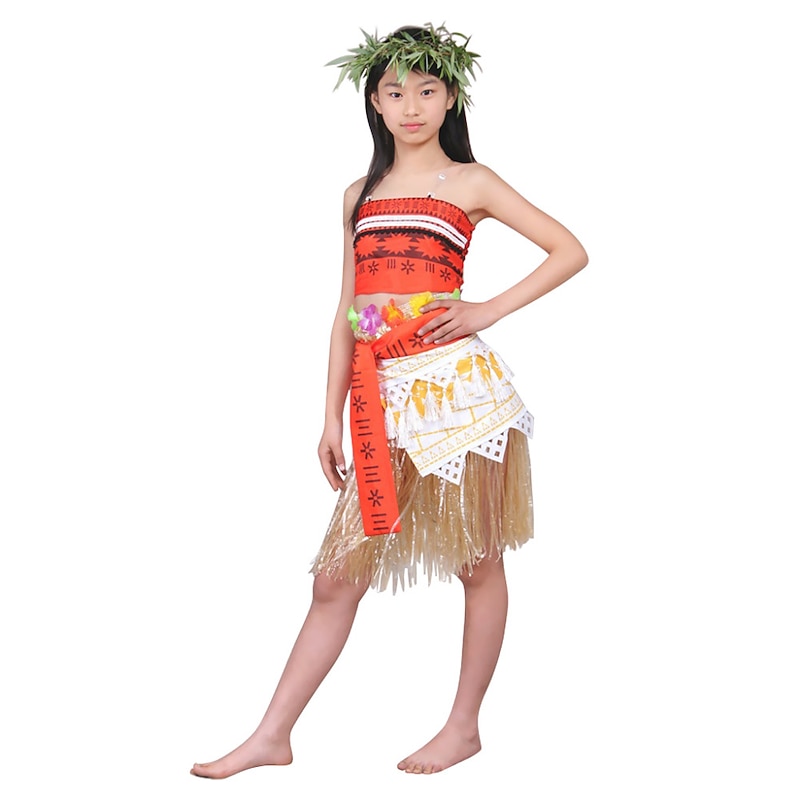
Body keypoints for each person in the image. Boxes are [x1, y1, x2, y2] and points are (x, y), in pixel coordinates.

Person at [190, 22, 588, 778]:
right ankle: (272, 736)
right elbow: (348, 309)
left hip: (459, 399)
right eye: (395, 92)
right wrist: (329, 415)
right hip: (378, 400)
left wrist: (485, 310)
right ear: (374, 102)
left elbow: (569, 249)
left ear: (451, 97)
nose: (411, 106)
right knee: (335, 577)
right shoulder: (359, 195)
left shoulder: (471, 182)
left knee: (477, 563)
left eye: (427, 90)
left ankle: (463, 727)